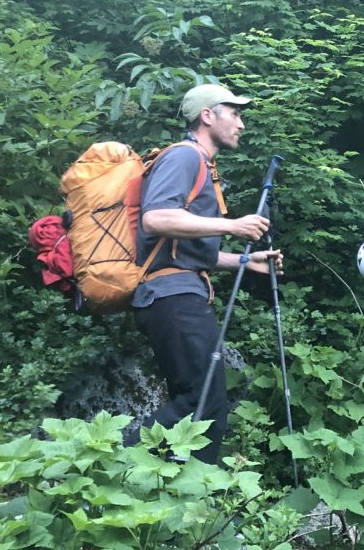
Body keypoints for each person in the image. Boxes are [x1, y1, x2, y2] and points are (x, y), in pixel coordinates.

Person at [124, 83, 283, 463]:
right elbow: (156, 218)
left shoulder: (200, 165)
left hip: (176, 293)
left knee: (200, 401)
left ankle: (159, 480)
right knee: (203, 403)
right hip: (173, 297)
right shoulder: (185, 157)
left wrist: (244, 261)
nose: (241, 124)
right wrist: (232, 225)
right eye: (235, 114)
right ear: (207, 116)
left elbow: (186, 252)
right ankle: (114, 460)